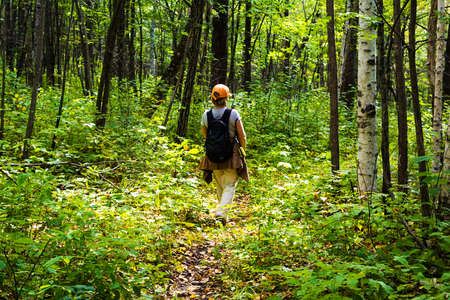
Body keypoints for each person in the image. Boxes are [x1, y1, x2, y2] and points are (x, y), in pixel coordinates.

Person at [199, 84, 248, 225]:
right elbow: (242, 135)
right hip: (230, 155)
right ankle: (221, 213)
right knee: (230, 185)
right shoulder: (233, 114)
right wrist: (242, 151)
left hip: (213, 155)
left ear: (212, 98)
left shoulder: (206, 115)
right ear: (227, 98)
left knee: (220, 184)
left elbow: (205, 135)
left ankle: (222, 216)